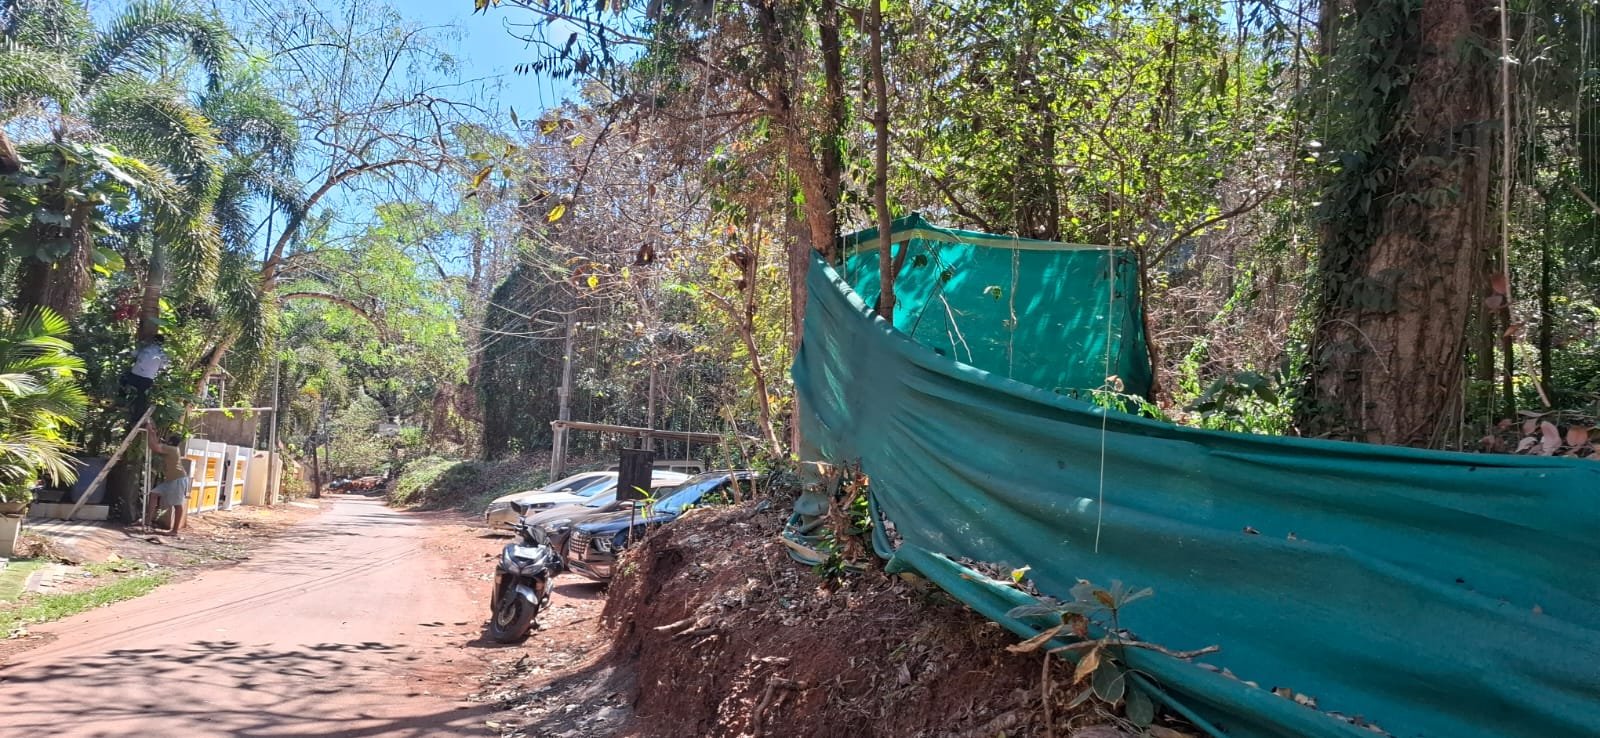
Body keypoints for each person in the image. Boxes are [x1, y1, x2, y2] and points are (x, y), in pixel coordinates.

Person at [144, 425, 190, 535]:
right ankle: (148, 522)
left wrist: (150, 431)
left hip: (177, 480)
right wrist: (153, 433)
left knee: (177, 505)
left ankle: (174, 531)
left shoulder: (171, 449)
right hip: (171, 480)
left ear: (170, 442)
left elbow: (153, 446)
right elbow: (156, 445)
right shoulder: (172, 449)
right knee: (154, 494)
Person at [121, 335, 169, 425]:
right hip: (147, 379)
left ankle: (121, 400)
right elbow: (164, 367)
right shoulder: (162, 354)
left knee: (123, 379)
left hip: (134, 375)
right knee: (141, 397)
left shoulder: (144, 348)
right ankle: (137, 418)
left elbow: (131, 354)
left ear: (153, 340)